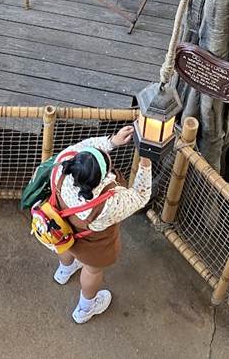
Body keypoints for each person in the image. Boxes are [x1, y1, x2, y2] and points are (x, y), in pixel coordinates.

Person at [51, 125, 152, 324]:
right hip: (92, 243)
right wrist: (146, 162)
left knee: (66, 245)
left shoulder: (62, 163)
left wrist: (112, 141)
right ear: (103, 177)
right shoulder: (108, 205)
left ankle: (64, 270)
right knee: (92, 270)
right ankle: (86, 308)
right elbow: (141, 196)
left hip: (63, 227)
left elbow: (84, 145)